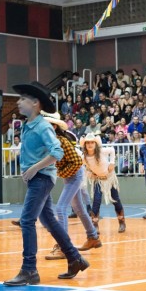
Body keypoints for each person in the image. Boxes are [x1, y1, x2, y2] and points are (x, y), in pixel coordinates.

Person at [4, 81, 89, 287]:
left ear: (35, 103)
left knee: (26, 220)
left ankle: (29, 270)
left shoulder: (42, 126)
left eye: (23, 99)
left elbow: (57, 152)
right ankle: (75, 258)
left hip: (41, 179)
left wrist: (34, 168)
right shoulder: (28, 124)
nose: (19, 102)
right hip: (37, 178)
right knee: (49, 220)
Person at [40, 111, 102, 259]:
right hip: (71, 175)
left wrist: (62, 173)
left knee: (61, 208)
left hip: (74, 174)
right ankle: (93, 237)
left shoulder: (60, 141)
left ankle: (64, 247)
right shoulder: (51, 141)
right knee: (79, 209)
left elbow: (76, 161)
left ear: (54, 127)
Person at [80, 133, 126, 233]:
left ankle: (121, 221)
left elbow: (112, 150)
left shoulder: (101, 151)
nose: (90, 144)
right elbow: (85, 168)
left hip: (109, 178)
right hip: (98, 180)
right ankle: (95, 225)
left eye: (92, 142)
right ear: (85, 145)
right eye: (87, 143)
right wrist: (90, 174)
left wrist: (112, 163)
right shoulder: (84, 157)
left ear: (95, 144)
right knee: (96, 201)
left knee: (115, 200)